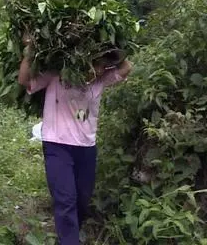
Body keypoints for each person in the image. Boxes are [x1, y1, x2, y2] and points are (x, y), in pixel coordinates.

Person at [18, 33, 132, 245]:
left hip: (87, 147)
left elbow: (126, 68)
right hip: (57, 144)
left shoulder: (101, 81)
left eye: (101, 65)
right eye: (94, 64)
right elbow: (24, 80)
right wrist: (30, 50)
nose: (97, 70)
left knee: (82, 199)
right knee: (66, 199)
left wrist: (113, 48)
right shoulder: (56, 76)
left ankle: (70, 234)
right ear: (81, 61)